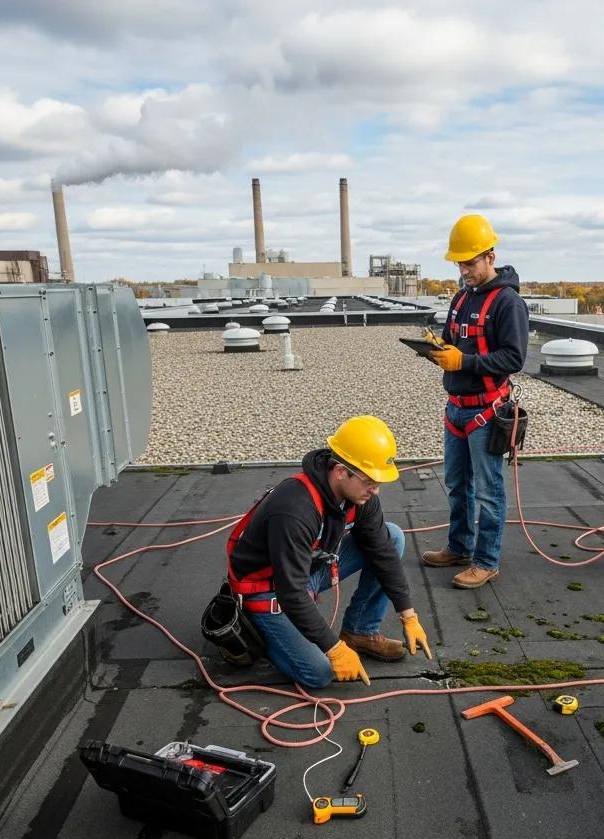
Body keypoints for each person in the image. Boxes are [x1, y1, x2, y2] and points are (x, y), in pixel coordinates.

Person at [225, 415, 432, 688]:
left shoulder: (360, 495)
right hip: (267, 590)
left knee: (391, 537)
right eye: (369, 480)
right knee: (319, 673)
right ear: (339, 471)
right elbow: (291, 593)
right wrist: (334, 649)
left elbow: (382, 551)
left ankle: (359, 632)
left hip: (305, 571)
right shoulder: (295, 510)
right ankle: (261, 635)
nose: (376, 490)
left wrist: (408, 613)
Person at [421, 213, 529, 589]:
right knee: (457, 483)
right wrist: (438, 348)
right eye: (459, 263)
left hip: (485, 408)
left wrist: (463, 361)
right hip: (457, 408)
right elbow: (456, 339)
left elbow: (514, 358)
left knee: (488, 489)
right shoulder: (461, 298)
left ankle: (486, 560)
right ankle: (460, 546)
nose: (463, 269)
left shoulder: (508, 303)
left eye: (469, 262)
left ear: (490, 257)